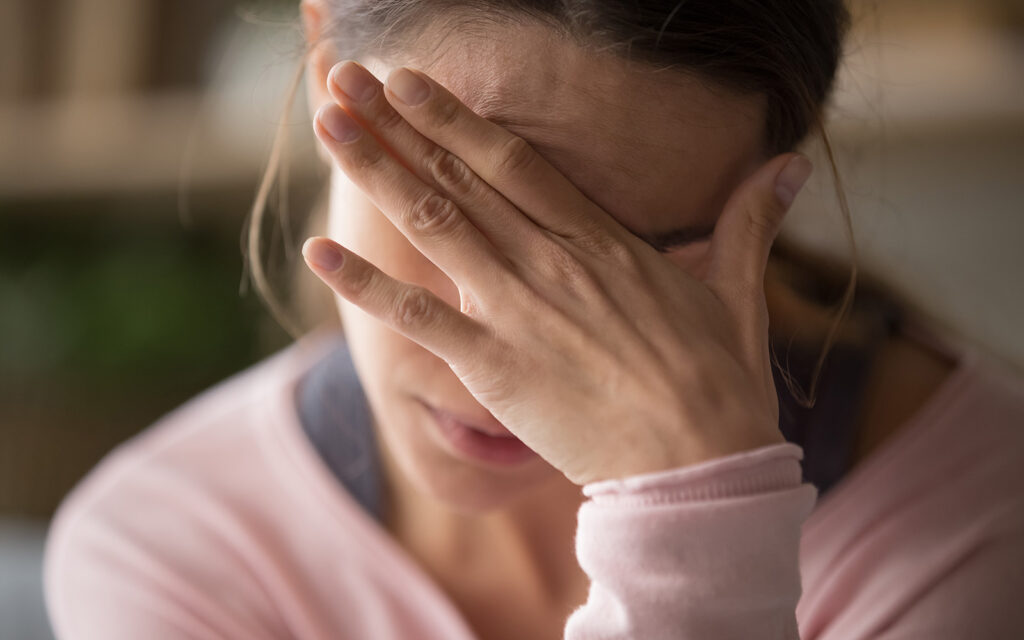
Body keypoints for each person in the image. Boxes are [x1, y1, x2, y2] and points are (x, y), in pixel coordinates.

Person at [43, 1, 1024, 638]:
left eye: (633, 260)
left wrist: (693, 518)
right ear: (321, 57)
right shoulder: (171, 549)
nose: (495, 364)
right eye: (458, 205)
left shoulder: (973, 525)